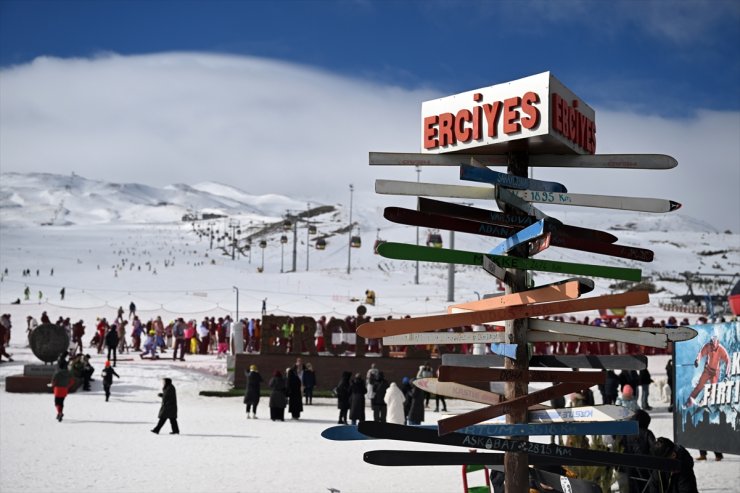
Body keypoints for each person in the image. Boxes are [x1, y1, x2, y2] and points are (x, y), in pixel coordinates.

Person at [616, 409, 656, 493]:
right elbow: (655, 451)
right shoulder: (647, 433)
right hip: (644, 471)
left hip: (625, 470)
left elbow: (617, 448)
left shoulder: (623, 432)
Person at [685, 334, 730, 407]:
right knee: (699, 386)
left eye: (714, 347)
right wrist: (697, 360)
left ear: (717, 344)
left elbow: (728, 360)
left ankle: (704, 400)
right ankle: (689, 401)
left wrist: (727, 374)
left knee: (713, 388)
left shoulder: (721, 349)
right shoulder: (707, 346)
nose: (713, 348)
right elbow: (700, 353)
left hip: (715, 372)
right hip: (707, 370)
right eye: (712, 346)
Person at [50, 354, 71, 422]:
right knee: (61, 402)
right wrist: (67, 386)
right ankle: (59, 413)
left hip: (58, 389)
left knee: (57, 402)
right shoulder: (68, 373)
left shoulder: (57, 373)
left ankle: (59, 413)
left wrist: (52, 384)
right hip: (65, 389)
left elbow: (53, 381)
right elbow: (72, 381)